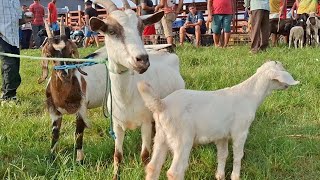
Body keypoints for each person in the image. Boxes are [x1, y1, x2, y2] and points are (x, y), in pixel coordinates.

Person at [0, 0, 32, 103]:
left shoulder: (15, 1)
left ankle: (8, 92)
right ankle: (8, 97)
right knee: (10, 65)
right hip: (2, 36)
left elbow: (18, 20)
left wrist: (25, 19)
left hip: (14, 38)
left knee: (14, 65)